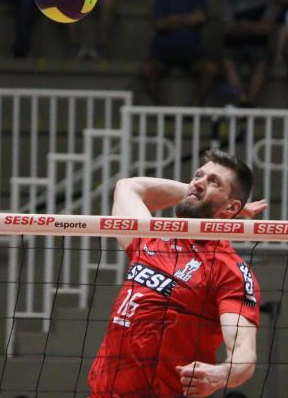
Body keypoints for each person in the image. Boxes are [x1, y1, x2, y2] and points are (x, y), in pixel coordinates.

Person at [88, 148, 268, 397]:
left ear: (231, 208)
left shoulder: (229, 270)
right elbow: (129, 186)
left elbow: (243, 356)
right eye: (198, 175)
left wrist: (220, 375)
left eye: (214, 181)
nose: (199, 181)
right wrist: (195, 190)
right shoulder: (151, 239)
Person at [140, 0, 218, 106]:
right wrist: (187, 19)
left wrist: (173, 19)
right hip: (163, 50)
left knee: (211, 70)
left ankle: (192, 110)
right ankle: (166, 110)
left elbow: (199, 19)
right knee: (146, 71)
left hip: (192, 51)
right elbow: (159, 24)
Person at [219, 0, 275, 107]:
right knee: (227, 62)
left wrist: (243, 24)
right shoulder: (230, 0)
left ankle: (250, 104)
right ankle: (242, 100)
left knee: (262, 62)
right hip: (233, 44)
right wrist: (254, 26)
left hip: (258, 45)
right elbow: (226, 29)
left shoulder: (266, 1)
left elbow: (266, 29)